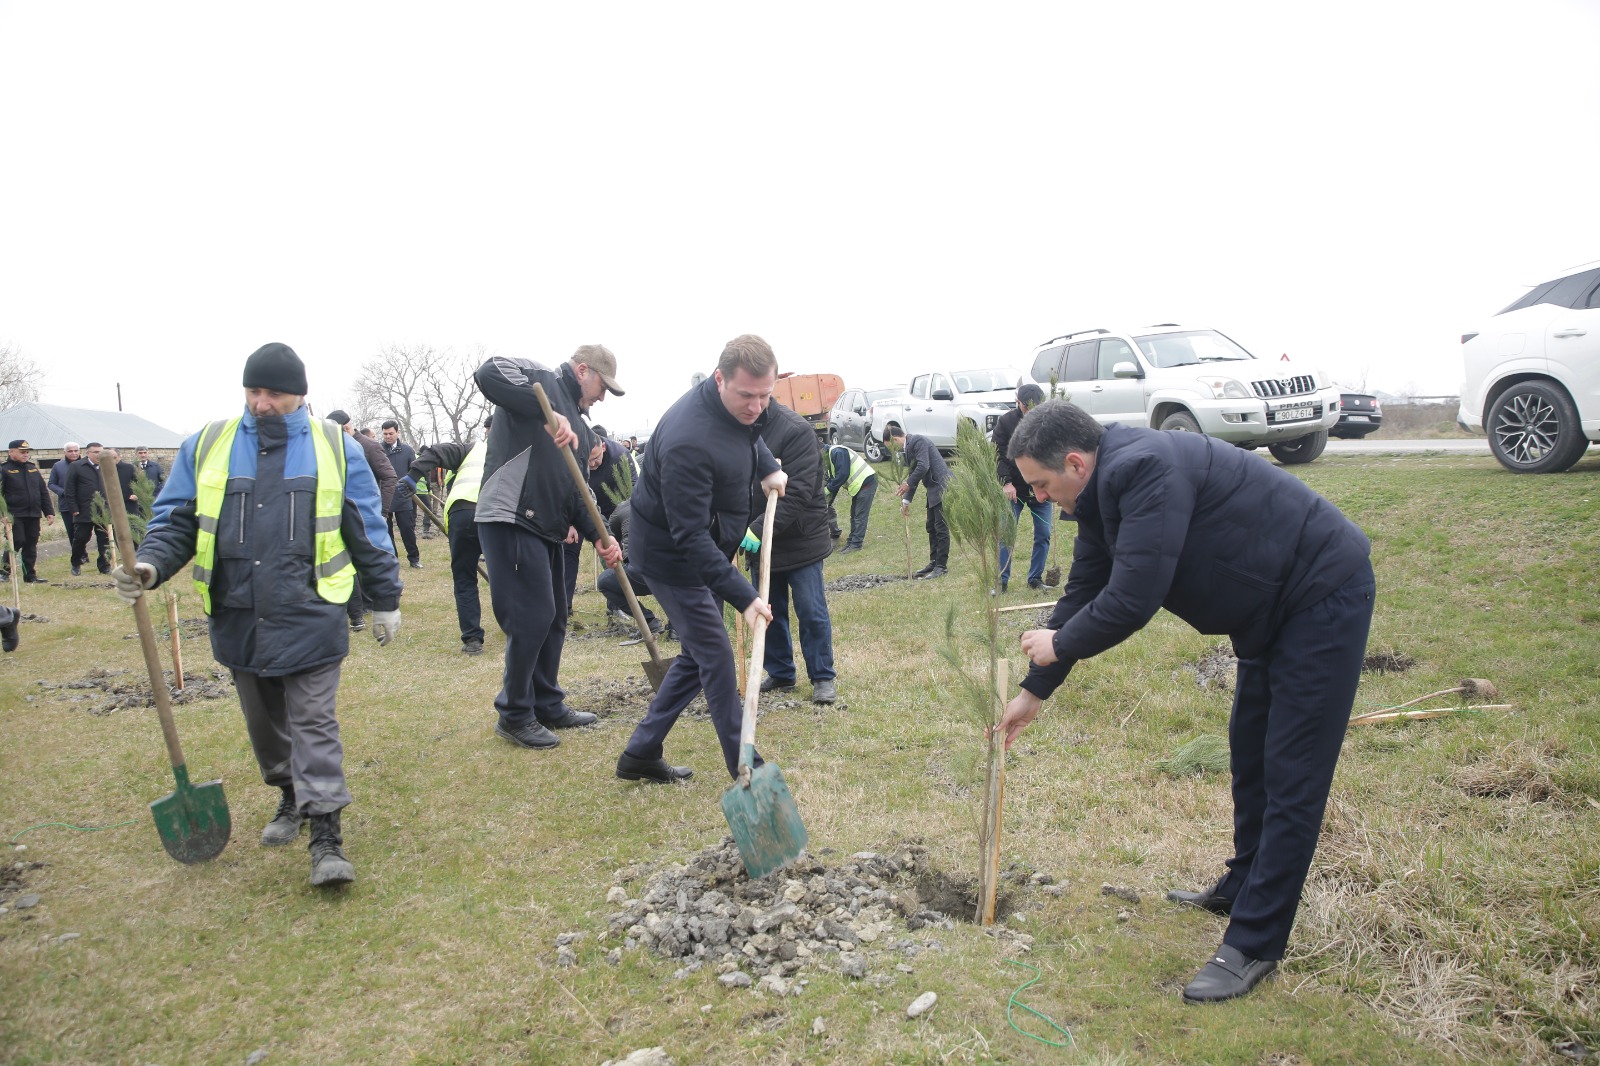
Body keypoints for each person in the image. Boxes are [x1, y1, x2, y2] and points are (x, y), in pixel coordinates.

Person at [992, 401, 1375, 1004]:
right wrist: (1033, 691)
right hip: (1267, 612)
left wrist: (1061, 641)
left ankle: (1254, 942)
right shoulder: (1093, 495)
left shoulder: (1144, 468)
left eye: (1041, 485)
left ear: (1074, 462)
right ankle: (1243, 882)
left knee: (1292, 772)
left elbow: (1134, 595)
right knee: (1250, 754)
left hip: (1322, 594)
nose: (1039, 497)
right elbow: (1086, 589)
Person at [112, 342, 403, 889]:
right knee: (264, 725)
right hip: (237, 612)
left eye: (274, 392)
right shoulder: (208, 443)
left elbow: (366, 528)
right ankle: (289, 796)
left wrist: (385, 598)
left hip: (311, 609)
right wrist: (149, 565)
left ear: (300, 396)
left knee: (313, 722)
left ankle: (326, 836)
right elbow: (175, 519)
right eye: (254, 391)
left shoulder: (336, 449)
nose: (262, 402)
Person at [616, 334, 788, 784]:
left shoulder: (736, 408)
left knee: (695, 656)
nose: (756, 406)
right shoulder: (687, 440)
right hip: (673, 558)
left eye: (765, 395)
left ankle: (640, 753)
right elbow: (689, 538)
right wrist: (744, 597)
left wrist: (767, 463)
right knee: (715, 653)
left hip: (706, 548)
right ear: (719, 380)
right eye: (746, 395)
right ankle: (746, 768)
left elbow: (748, 434)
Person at [474, 346, 624, 749]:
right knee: (532, 615)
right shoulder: (541, 379)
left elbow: (578, 492)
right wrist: (545, 412)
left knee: (554, 614)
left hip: (547, 525)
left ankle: (546, 703)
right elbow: (489, 371)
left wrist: (601, 535)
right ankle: (515, 713)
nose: (602, 396)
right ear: (581, 370)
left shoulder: (580, 424)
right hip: (511, 514)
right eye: (602, 386)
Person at [754, 402, 838, 704]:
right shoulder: (737, 426)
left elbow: (800, 492)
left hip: (801, 538)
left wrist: (757, 528)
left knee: (811, 610)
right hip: (761, 540)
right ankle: (780, 672)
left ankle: (822, 677)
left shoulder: (795, 430)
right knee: (768, 611)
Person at [401, 415, 491, 655]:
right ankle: (516, 625)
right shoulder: (515, 451)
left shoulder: (471, 449)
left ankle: (472, 640)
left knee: (464, 579)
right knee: (508, 574)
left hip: (461, 515)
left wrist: (413, 475)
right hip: (493, 517)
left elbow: (435, 452)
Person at [326, 410, 398, 634]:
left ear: (347, 427)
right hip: (341, 512)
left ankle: (367, 604)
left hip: (365, 510)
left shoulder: (367, 445)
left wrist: (382, 511)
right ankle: (360, 606)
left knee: (371, 553)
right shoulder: (329, 443)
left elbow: (389, 476)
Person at [991, 383, 1055, 593]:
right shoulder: (1006, 423)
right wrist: (1006, 482)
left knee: (1044, 533)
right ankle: (1002, 581)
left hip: (1041, 488)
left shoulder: (1049, 420)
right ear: (1018, 402)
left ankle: (1035, 579)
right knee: (1006, 534)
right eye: (1026, 407)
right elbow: (997, 455)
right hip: (1014, 490)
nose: (1030, 412)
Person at [887, 424, 949, 579]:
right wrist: (906, 501)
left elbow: (923, 466)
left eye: (891, 447)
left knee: (940, 527)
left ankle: (941, 566)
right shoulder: (908, 449)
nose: (893, 451)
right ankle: (933, 562)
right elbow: (914, 474)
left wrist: (907, 483)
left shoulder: (918, 441)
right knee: (931, 526)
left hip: (942, 486)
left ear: (895, 439)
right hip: (932, 488)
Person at [1, 439, 55, 583]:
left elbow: (42, 491)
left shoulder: (31, 468)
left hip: (33, 513)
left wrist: (49, 511)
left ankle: (30, 575)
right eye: (22, 452)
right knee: (17, 541)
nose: (25, 455)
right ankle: (4, 572)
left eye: (27, 452)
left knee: (31, 543)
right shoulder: (4, 469)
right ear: (11, 452)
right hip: (14, 514)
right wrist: (3, 514)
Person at [63, 442, 112, 576]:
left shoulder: (106, 466)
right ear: (87, 453)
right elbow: (69, 489)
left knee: (104, 539)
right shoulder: (77, 466)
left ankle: (104, 565)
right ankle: (76, 563)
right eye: (95, 452)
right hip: (84, 509)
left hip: (103, 510)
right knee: (81, 538)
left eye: (101, 452)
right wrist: (73, 508)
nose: (98, 455)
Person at [824, 439, 878, 554]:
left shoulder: (837, 452)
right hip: (859, 486)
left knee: (859, 516)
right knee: (854, 515)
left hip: (866, 482)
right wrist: (828, 500)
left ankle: (856, 544)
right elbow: (835, 482)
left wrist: (827, 490)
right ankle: (851, 542)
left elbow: (842, 475)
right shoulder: (830, 457)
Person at [380, 420, 420, 569]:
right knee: (387, 531)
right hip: (385, 497)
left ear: (397, 433)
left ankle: (414, 558)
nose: (388, 436)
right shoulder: (378, 449)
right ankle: (392, 558)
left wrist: (411, 485)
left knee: (407, 529)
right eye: (385, 434)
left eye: (391, 433)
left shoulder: (408, 451)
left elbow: (414, 470)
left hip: (403, 497)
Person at [48, 442, 80, 554]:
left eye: (76, 450)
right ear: (65, 452)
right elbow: (51, 483)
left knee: (84, 530)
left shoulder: (85, 464)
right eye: (70, 451)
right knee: (72, 531)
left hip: (84, 503)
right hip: (67, 504)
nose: (73, 453)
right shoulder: (58, 466)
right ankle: (78, 554)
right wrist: (64, 492)